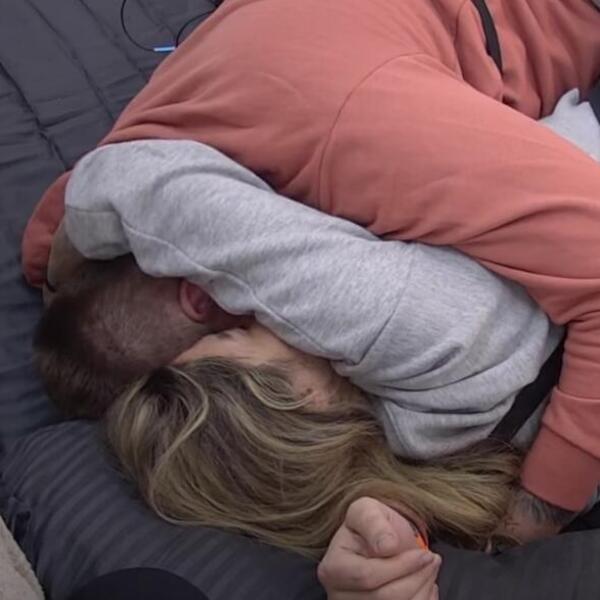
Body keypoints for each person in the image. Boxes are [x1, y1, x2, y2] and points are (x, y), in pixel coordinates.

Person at [21, 0, 600, 531]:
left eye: (248, 320)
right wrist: (57, 273)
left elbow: (132, 184)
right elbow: (102, 193)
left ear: (208, 291)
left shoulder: (354, 148)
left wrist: (540, 511)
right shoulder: (164, 139)